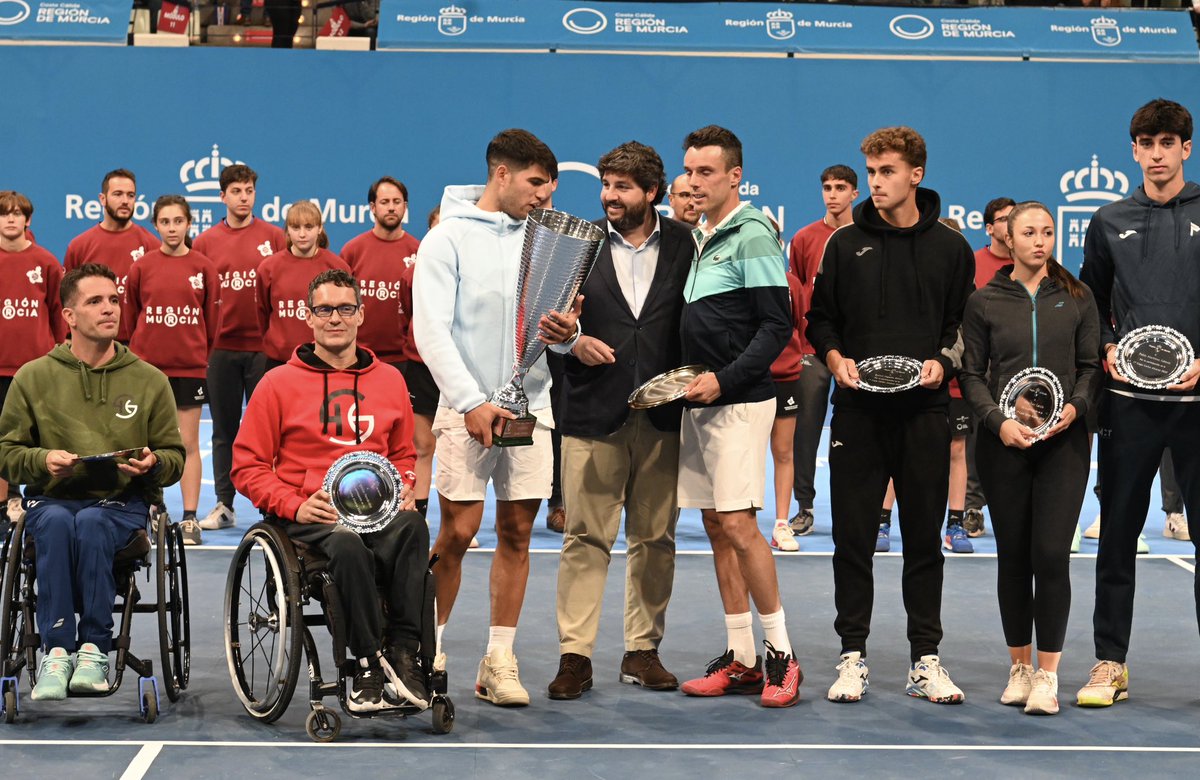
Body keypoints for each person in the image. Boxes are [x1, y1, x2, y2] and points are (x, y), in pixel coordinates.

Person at [806, 126, 974, 705]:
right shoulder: (843, 243)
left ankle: (925, 660)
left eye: (887, 172)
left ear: (915, 175)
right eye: (871, 173)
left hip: (925, 412)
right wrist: (834, 358)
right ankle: (852, 656)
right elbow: (820, 319)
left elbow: (961, 329)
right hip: (856, 413)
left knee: (924, 542)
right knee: (852, 540)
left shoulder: (952, 249)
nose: (876, 183)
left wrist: (941, 364)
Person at [412, 128, 577, 707]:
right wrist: (469, 402)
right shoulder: (446, 239)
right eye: (535, 184)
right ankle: (425, 651)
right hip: (466, 409)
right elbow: (430, 332)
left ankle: (498, 660)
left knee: (518, 532)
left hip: (532, 410)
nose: (543, 198)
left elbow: (552, 337)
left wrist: (568, 334)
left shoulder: (548, 241)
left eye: (550, 188)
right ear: (500, 174)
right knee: (456, 532)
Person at [232, 268, 431, 713]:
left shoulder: (390, 380)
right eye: (324, 309)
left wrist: (404, 487)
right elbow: (247, 467)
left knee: (414, 526)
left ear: (361, 314)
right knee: (345, 545)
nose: (335, 318)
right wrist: (295, 505)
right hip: (311, 517)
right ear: (308, 316)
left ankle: (403, 649)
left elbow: (403, 455)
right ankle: (366, 664)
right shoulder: (277, 384)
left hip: (374, 510)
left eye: (345, 308)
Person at [547, 141, 693, 700]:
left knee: (655, 539)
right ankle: (574, 657)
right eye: (606, 184)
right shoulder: (574, 244)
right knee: (584, 538)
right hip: (590, 411)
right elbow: (547, 326)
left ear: (652, 192)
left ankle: (641, 651)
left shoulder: (687, 244)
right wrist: (575, 341)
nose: (609, 195)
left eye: (623, 187)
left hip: (663, 416)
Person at [0, 263, 184, 701]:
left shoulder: (149, 379)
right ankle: (57, 651)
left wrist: (153, 463)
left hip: (121, 505)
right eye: (95, 301)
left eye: (114, 300)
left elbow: (175, 458)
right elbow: (7, 454)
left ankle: (95, 650)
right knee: (62, 522)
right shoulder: (33, 377)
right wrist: (43, 460)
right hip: (53, 500)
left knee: (92, 524)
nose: (109, 310)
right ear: (68, 316)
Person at [1077, 98, 1200, 707]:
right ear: (1134, 151)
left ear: (1185, 148)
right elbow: (1090, 301)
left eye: (1166, 143)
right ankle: (1109, 663)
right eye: (1145, 143)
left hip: (1199, 403)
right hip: (1128, 404)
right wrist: (1105, 347)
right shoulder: (1108, 219)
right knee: (1118, 534)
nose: (1156, 154)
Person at [673, 125, 800, 709]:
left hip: (741, 404)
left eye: (706, 172)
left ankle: (782, 656)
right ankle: (742, 657)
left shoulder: (752, 234)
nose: (695, 182)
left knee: (742, 527)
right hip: (701, 406)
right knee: (718, 527)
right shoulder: (702, 235)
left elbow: (776, 326)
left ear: (734, 177)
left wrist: (724, 379)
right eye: (690, 171)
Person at [960, 200, 1101, 716]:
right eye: (1028, 233)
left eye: (1047, 232)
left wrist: (1076, 408)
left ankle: (1048, 675)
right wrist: (999, 423)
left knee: (1050, 555)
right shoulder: (984, 301)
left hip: (1064, 445)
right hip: (1004, 448)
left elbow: (1091, 366)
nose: (1040, 241)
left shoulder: (1078, 297)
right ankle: (1019, 668)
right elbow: (972, 375)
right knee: (1014, 558)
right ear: (1008, 239)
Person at [193, 164, 286, 535]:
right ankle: (224, 504)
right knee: (224, 431)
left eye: (248, 190)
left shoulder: (275, 238)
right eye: (236, 191)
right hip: (221, 351)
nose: (243, 197)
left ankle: (275, 505)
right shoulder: (204, 243)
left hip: (264, 351)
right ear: (222, 196)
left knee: (274, 433)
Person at [126, 196, 218, 546]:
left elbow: (212, 321)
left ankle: (190, 517)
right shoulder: (142, 267)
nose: (172, 228)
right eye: (165, 222)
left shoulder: (204, 267)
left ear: (189, 223)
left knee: (187, 442)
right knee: (145, 442)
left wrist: (194, 352)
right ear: (156, 226)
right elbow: (133, 315)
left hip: (189, 368)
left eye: (178, 221)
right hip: (147, 369)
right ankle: (152, 505)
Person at [341, 177, 425, 514]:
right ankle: (356, 501)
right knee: (360, 435)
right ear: (372, 208)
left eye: (397, 202)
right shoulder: (353, 251)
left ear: (405, 207)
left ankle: (404, 505)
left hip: (407, 362)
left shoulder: (420, 251)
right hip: (361, 362)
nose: (391, 208)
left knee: (406, 442)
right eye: (384, 202)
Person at [787, 165, 858, 538]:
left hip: (855, 354)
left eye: (840, 188)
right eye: (827, 187)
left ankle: (852, 509)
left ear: (854, 194)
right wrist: (800, 343)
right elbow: (798, 295)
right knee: (807, 429)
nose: (832, 194)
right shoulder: (803, 238)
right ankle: (804, 507)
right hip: (813, 350)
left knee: (851, 433)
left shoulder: (867, 237)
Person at [0, 191, 66, 525]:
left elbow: (58, 314)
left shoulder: (46, 262)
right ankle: (4, 504)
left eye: (17, 214)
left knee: (40, 436)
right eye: (4, 214)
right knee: (2, 438)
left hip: (37, 371)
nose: (11, 219)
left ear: (28, 220)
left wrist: (57, 357)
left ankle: (37, 500)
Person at [962, 197, 1015, 538]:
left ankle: (1010, 508)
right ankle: (972, 507)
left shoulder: (1030, 264)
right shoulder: (973, 263)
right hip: (979, 368)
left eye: (1015, 218)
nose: (1010, 225)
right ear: (989, 227)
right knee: (975, 441)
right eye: (1003, 219)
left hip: (1016, 369)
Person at [64, 169, 158, 344]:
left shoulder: (151, 245)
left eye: (131, 195)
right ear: (102, 199)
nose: (125, 201)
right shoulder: (79, 246)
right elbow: (68, 299)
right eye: (118, 194)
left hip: (137, 346)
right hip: (89, 343)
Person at [256, 200, 351, 371]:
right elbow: (262, 314)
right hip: (279, 362)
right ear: (287, 231)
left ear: (319, 229)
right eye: (295, 227)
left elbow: (346, 314)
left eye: (308, 227)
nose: (302, 234)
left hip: (325, 361)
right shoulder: (269, 268)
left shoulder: (337, 267)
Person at [940, 216, 975, 556]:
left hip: (955, 386)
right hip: (917, 385)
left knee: (956, 451)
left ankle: (955, 524)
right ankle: (883, 520)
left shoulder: (970, 293)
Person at [767, 269, 805, 552]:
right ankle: (743, 520)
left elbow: (799, 326)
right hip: (747, 377)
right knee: (746, 452)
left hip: (785, 378)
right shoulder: (740, 276)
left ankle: (781, 523)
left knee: (783, 451)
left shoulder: (792, 283)